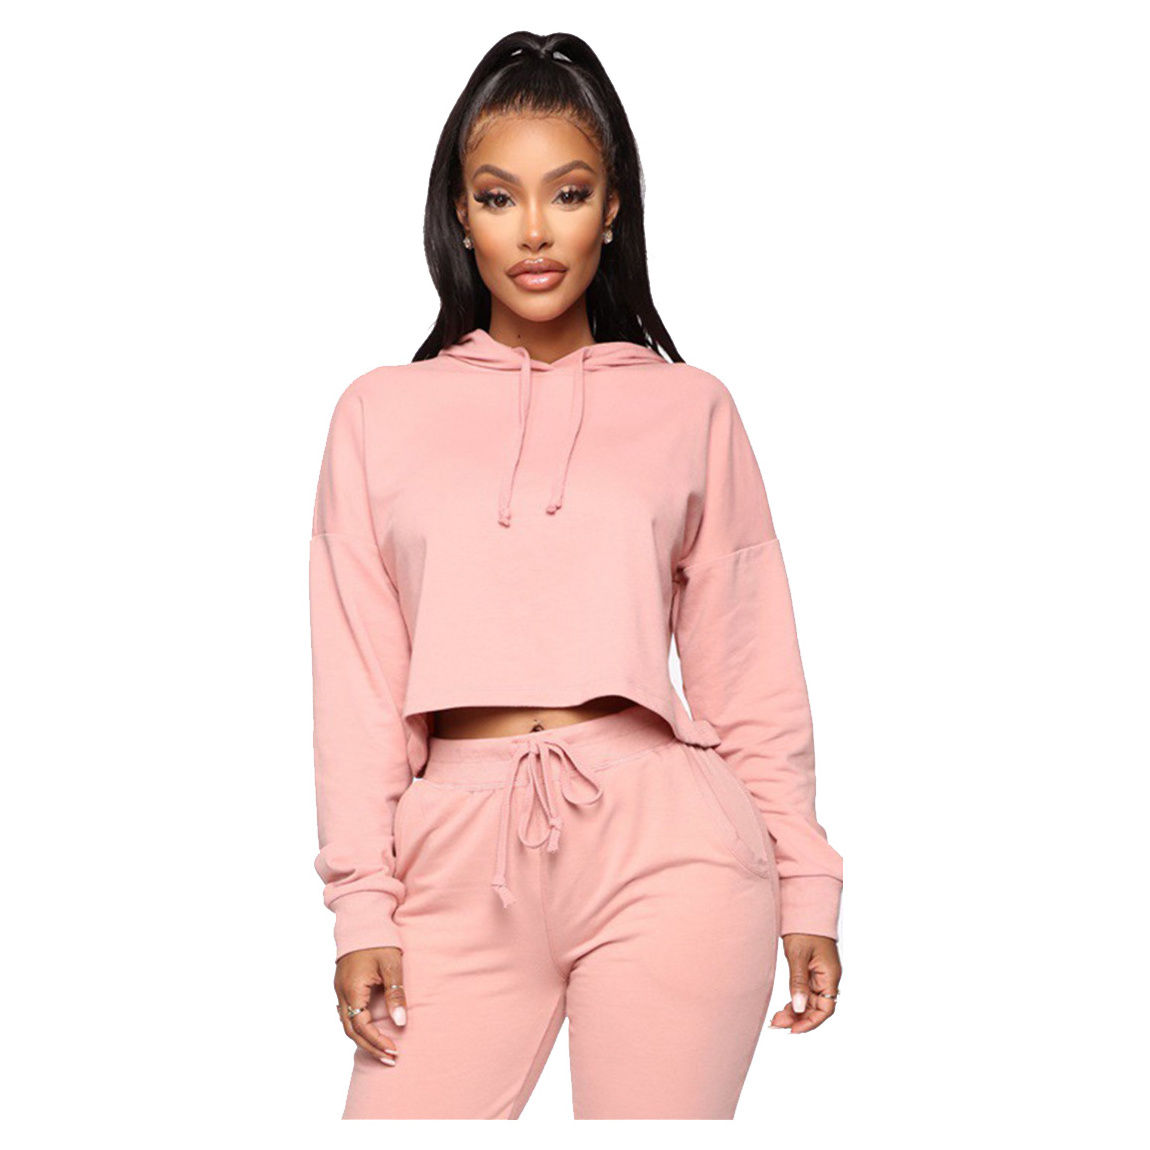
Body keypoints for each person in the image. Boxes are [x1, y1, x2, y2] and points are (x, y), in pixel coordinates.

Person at [309, 30, 844, 1120]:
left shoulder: (690, 406)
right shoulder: (379, 413)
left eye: (568, 192)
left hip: (668, 846)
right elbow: (357, 684)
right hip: (454, 857)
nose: (534, 232)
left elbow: (749, 668)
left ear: (612, 209)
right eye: (497, 197)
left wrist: (807, 882)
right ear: (459, 214)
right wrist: (362, 903)